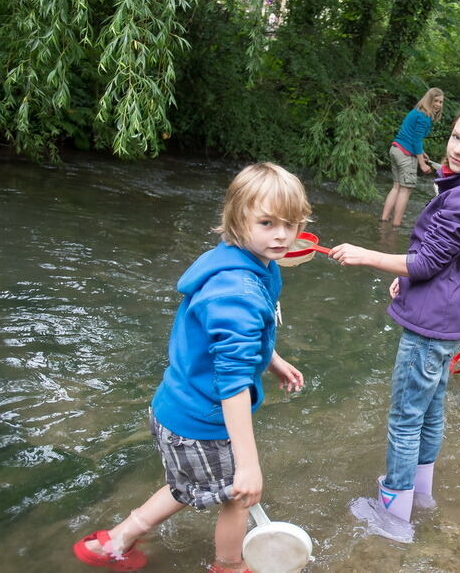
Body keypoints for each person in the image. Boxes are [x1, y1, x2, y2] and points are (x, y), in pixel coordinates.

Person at [71, 163, 309, 573]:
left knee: (187, 484)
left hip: (176, 408)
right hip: (204, 419)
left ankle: (114, 542)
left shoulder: (243, 263)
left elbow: (230, 341)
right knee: (237, 498)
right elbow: (231, 380)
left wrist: (272, 359)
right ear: (237, 219)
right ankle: (229, 566)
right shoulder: (238, 291)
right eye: (267, 222)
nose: (283, 235)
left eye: (292, 224)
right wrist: (248, 465)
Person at [330, 104, 460, 543]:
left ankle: (393, 517)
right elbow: (442, 262)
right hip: (446, 318)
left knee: (405, 420)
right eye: (455, 137)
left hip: (429, 327)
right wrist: (402, 280)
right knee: (429, 413)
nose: (459, 149)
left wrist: (367, 255)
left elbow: (428, 261)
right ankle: (422, 497)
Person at [380, 88, 445, 228]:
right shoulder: (425, 117)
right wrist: (422, 164)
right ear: (429, 100)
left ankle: (384, 220)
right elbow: (416, 140)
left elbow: (412, 136)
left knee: (396, 187)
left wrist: (422, 152)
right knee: (405, 189)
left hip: (395, 149)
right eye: (436, 101)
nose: (439, 104)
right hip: (405, 154)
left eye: (441, 102)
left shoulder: (416, 112)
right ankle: (396, 225)